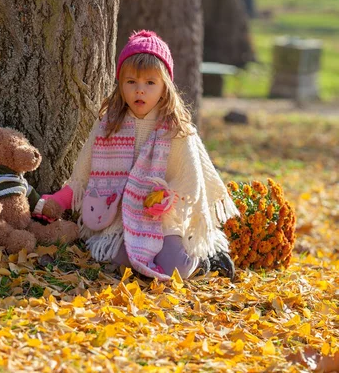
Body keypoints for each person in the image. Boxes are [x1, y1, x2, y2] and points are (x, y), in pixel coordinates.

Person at [38, 30, 238, 281]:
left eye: (150, 83)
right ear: (121, 85)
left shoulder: (175, 129)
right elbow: (83, 173)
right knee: (121, 259)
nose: (139, 91)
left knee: (179, 268)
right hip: (120, 219)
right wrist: (58, 201)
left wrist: (165, 199)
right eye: (131, 82)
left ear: (165, 88)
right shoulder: (109, 125)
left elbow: (191, 181)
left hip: (162, 218)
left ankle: (208, 258)